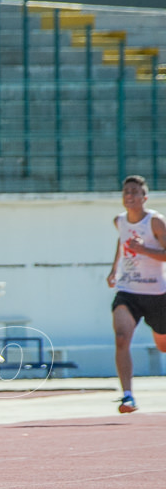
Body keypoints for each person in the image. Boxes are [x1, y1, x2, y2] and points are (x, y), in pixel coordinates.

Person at [106, 175, 166, 413]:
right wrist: (113, 271)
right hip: (128, 291)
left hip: (157, 293)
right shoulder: (119, 221)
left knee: (162, 345)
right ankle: (128, 396)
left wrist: (143, 249)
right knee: (121, 337)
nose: (129, 195)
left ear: (144, 197)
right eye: (126, 192)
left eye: (134, 191)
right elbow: (121, 245)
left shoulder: (155, 222)